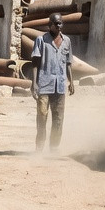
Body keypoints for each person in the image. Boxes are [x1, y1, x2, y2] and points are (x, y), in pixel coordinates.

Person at [29, 13, 74, 153]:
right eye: (56, 23)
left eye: (61, 23)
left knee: (58, 119)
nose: (59, 26)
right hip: (44, 85)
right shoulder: (41, 40)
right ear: (50, 25)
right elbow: (35, 63)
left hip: (60, 85)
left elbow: (68, 63)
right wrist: (34, 83)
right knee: (42, 117)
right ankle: (39, 148)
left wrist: (71, 82)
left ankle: (54, 148)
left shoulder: (67, 41)